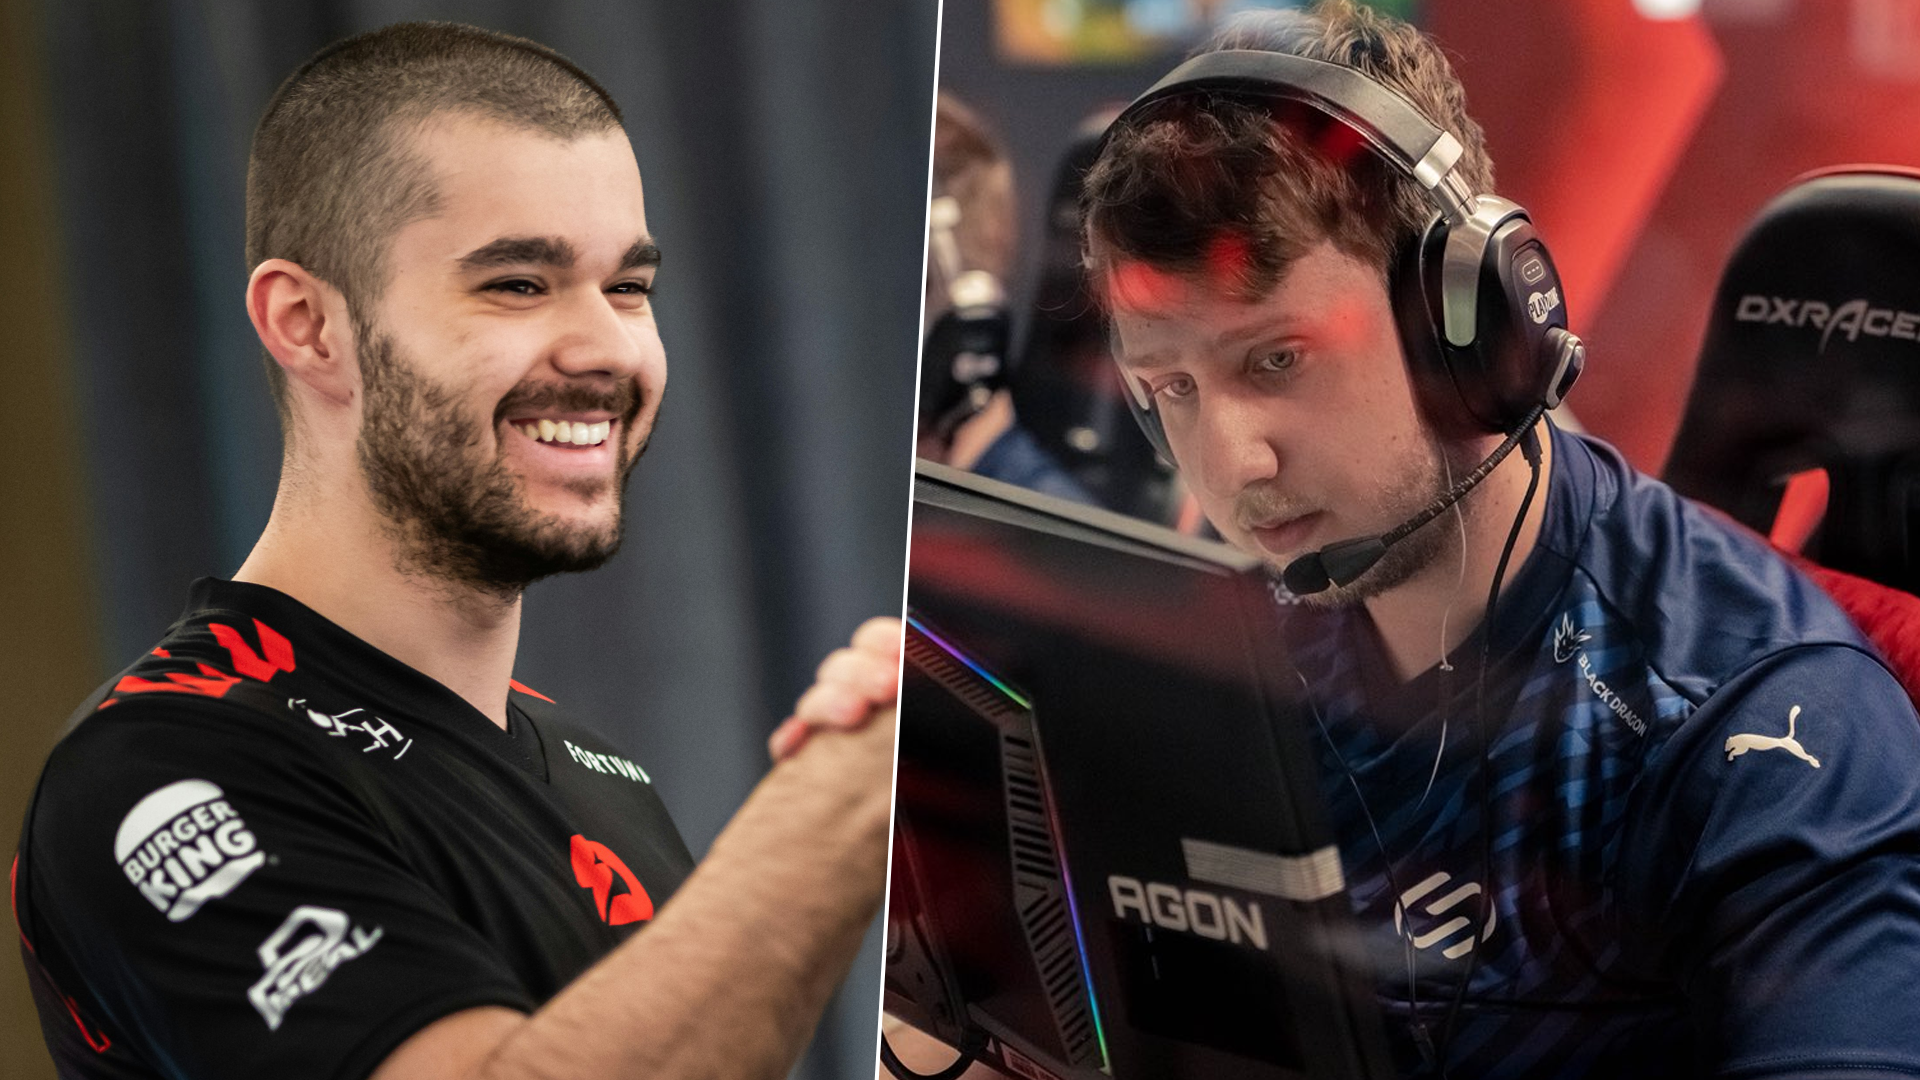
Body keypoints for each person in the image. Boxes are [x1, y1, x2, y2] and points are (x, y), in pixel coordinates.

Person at [13, 23, 900, 1080]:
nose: (608, 347)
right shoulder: (161, 767)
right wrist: (836, 809)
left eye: (629, 287)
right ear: (307, 325)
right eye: (518, 283)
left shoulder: (598, 775)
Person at [1077, 2, 1920, 1077]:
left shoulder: (1756, 728)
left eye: (1277, 359)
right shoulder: (1234, 655)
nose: (1231, 463)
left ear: (1466, 323)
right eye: (1172, 388)